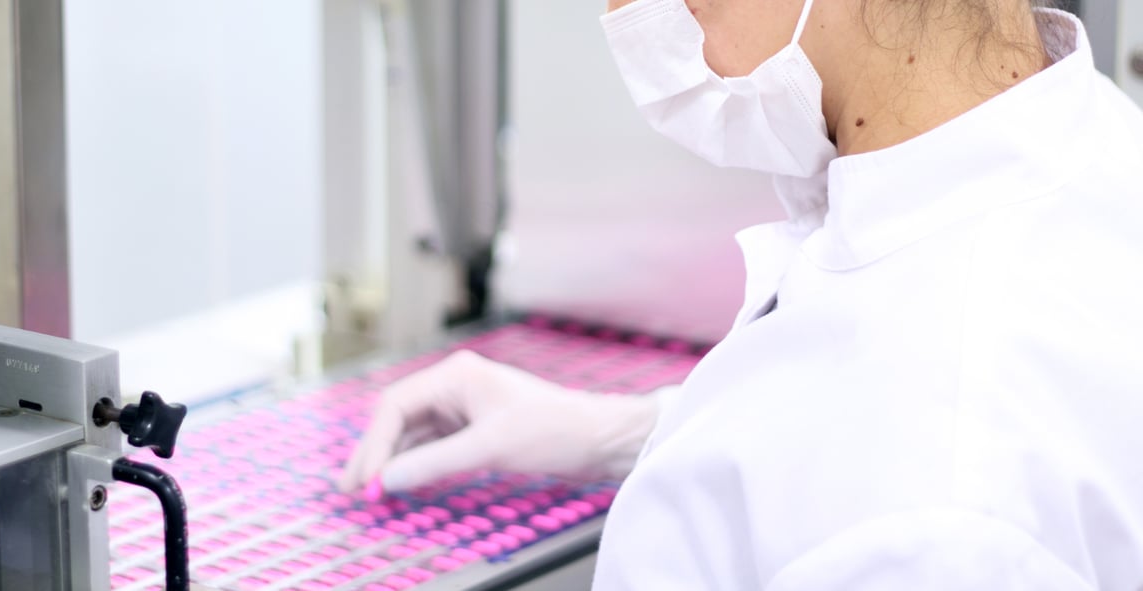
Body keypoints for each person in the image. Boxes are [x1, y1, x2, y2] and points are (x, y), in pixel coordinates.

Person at [343, 0, 1143, 587]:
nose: (623, 13)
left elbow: (905, 474)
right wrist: (631, 434)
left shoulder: (932, 521)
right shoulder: (1076, 127)